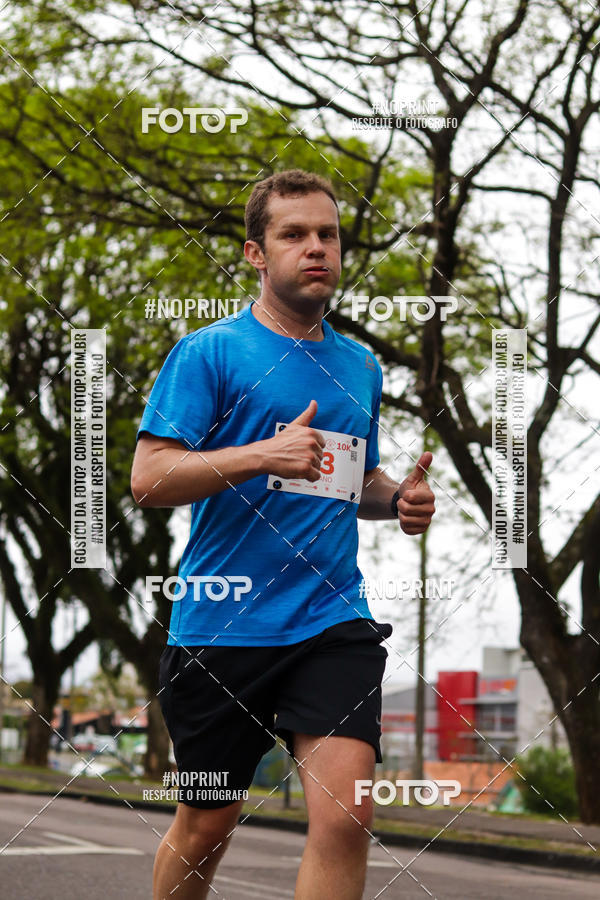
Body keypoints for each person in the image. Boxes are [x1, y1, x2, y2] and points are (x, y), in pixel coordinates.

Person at [131, 169, 436, 899]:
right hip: (222, 624)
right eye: (293, 234)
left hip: (331, 617)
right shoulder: (210, 352)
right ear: (254, 254)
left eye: (327, 234)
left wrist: (398, 501)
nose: (315, 248)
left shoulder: (359, 367)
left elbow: (346, 479)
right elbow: (149, 478)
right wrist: (261, 454)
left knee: (346, 815)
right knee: (207, 825)